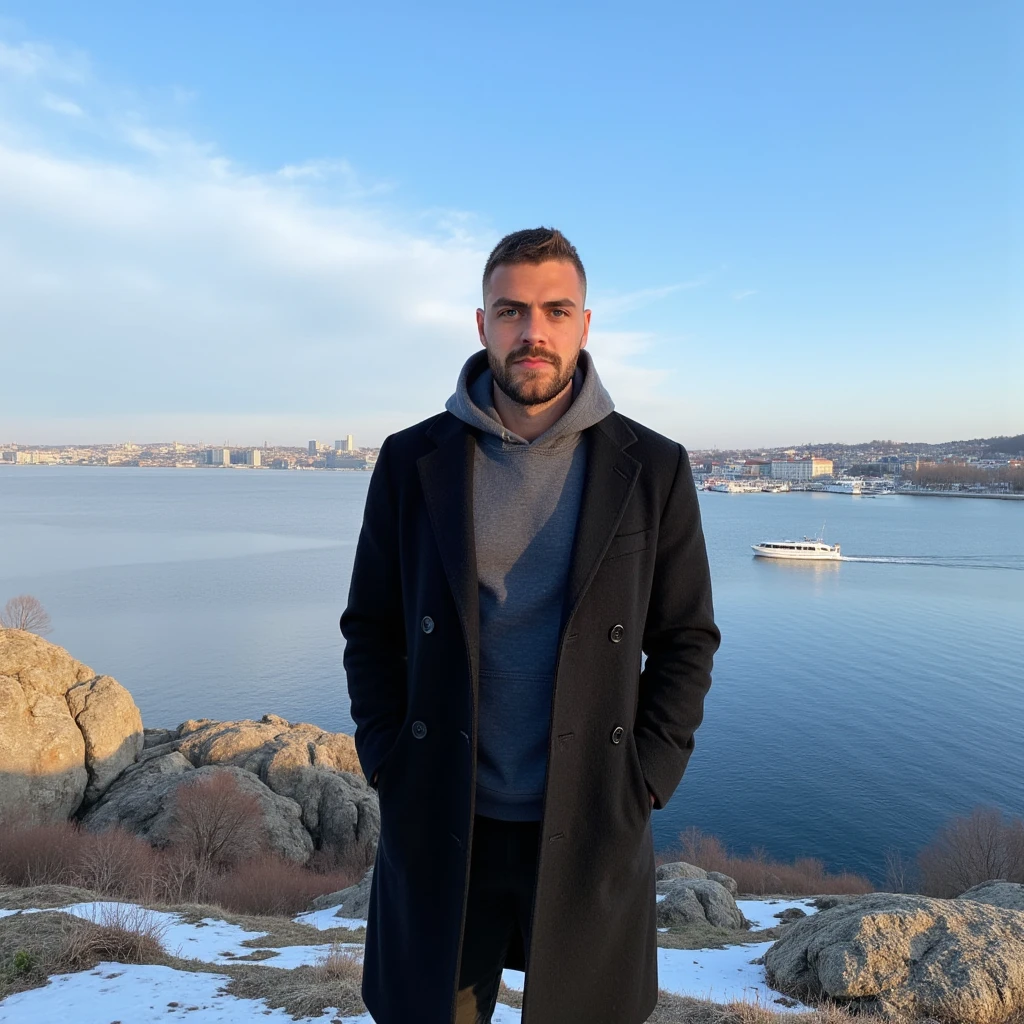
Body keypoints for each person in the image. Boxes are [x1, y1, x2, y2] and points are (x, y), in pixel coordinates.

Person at [341, 227, 720, 1024]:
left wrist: (647, 775)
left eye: (555, 310)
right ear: (482, 324)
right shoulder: (413, 460)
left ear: (586, 324)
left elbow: (686, 637)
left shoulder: (652, 467)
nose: (533, 331)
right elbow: (371, 627)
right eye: (511, 309)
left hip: (587, 818)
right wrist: (386, 757)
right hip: (445, 816)